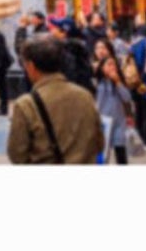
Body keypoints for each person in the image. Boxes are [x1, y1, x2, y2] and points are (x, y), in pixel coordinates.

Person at [6, 32, 104, 165]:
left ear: (31, 66)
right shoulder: (85, 96)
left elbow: (17, 154)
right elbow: (99, 143)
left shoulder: (25, 105)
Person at [91, 35, 137, 166]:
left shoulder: (117, 72)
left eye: (103, 47)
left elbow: (127, 97)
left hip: (119, 121)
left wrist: (117, 81)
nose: (100, 51)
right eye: (97, 48)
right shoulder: (94, 75)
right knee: (102, 156)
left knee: (120, 153)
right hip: (102, 122)